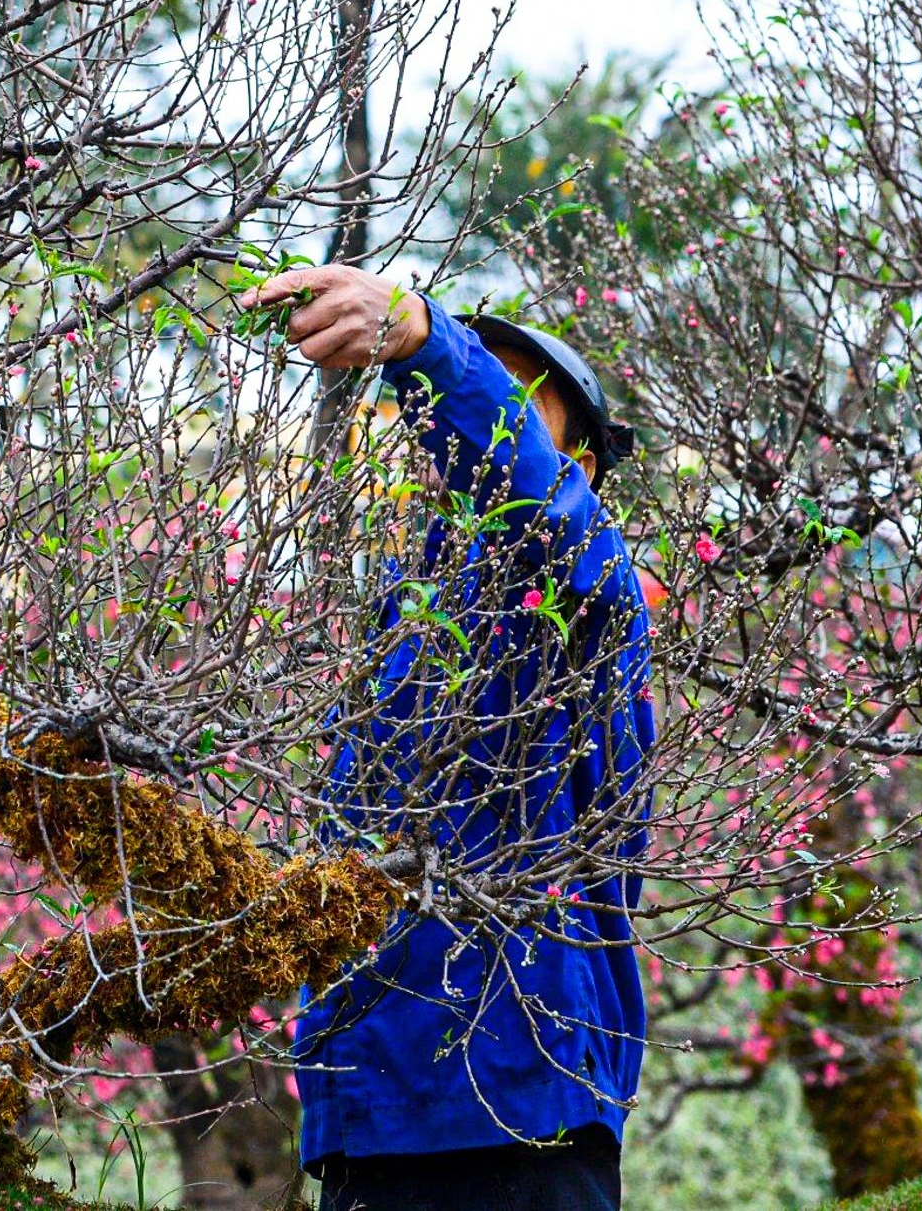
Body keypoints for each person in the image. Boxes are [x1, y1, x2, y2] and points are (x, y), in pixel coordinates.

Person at [238, 264, 654, 1211]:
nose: (463, 430)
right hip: (371, 1122)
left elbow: (534, 503)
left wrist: (427, 341)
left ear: (582, 468)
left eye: (516, 403)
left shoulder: (590, 591)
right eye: (467, 401)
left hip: (523, 1114)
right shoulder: (403, 628)